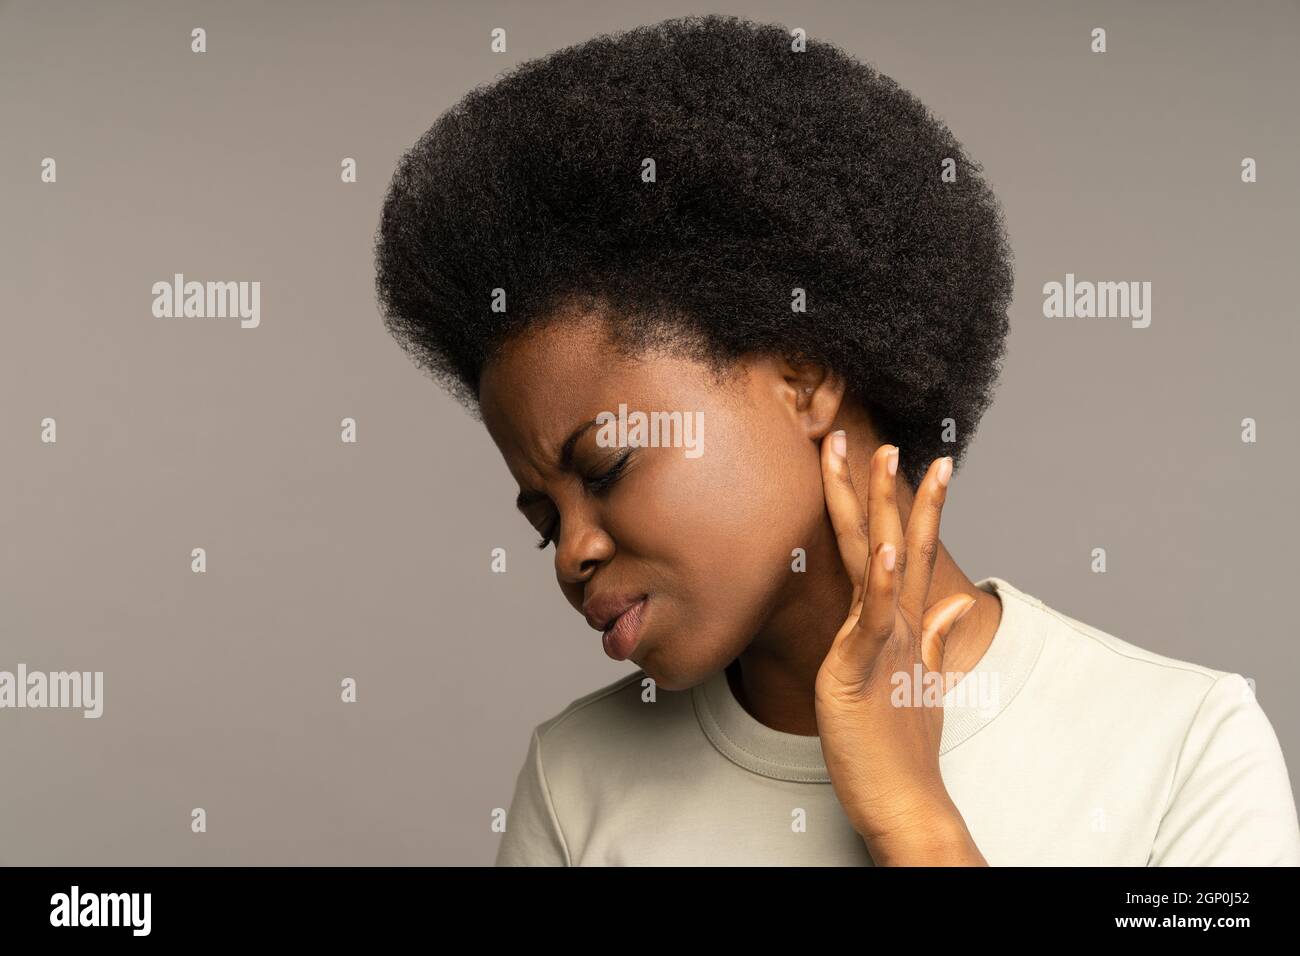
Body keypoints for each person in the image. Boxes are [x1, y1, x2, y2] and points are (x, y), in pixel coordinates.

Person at [372, 14, 1300, 865]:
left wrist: (915, 821)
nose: (573, 553)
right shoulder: (575, 789)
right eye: (545, 521)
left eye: (607, 468)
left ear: (806, 377)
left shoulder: (1183, 748)